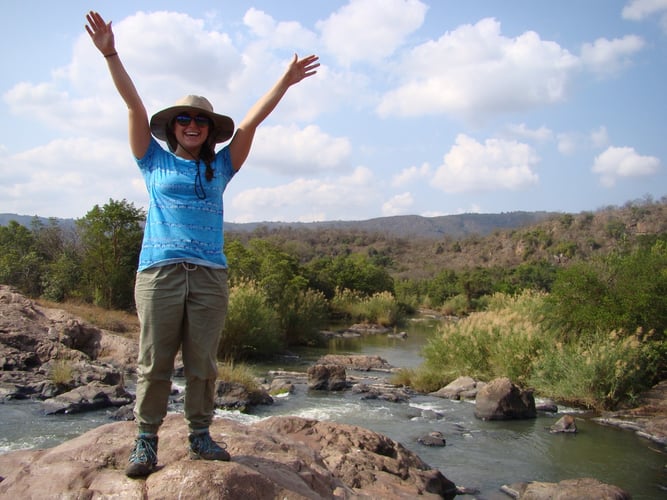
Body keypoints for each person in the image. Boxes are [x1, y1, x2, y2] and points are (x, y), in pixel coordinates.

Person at [85, 10, 319, 478]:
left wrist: (285, 81)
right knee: (153, 361)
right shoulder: (152, 162)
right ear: (173, 128)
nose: (192, 124)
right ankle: (146, 442)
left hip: (210, 275)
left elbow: (250, 124)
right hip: (160, 273)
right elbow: (134, 107)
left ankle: (199, 435)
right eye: (184, 119)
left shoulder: (221, 168)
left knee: (203, 364)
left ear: (210, 130)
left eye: (201, 121)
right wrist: (111, 54)